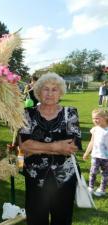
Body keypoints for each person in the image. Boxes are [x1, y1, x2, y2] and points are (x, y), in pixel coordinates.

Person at [18, 72, 82, 225]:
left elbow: (72, 147)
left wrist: (37, 147)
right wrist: (56, 146)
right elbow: (24, 146)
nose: (50, 93)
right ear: (38, 92)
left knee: (62, 218)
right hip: (35, 177)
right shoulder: (27, 114)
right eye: (46, 89)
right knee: (36, 218)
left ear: (60, 92)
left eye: (55, 89)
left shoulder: (70, 113)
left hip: (64, 177)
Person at [83, 108, 108, 197]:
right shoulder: (95, 129)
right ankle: (90, 187)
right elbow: (92, 142)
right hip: (95, 155)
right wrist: (86, 153)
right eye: (93, 118)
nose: (95, 120)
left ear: (105, 117)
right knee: (93, 172)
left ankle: (102, 189)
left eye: (97, 118)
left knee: (105, 174)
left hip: (106, 157)